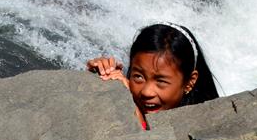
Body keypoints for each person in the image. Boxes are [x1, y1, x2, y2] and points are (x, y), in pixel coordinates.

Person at [87, 23, 218, 129]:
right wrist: (100, 76)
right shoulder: (124, 92)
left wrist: (133, 108)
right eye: (138, 76)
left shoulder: (202, 126)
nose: (146, 92)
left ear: (190, 82)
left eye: (161, 81)